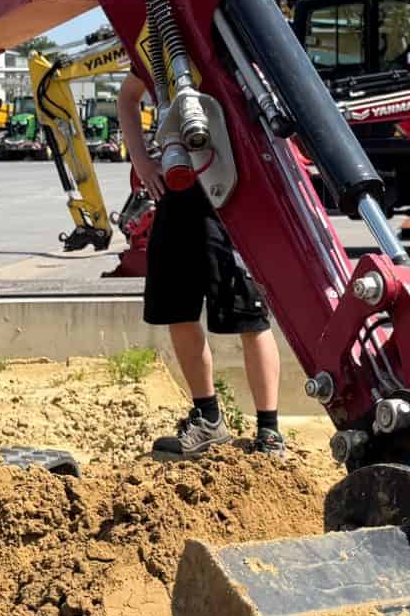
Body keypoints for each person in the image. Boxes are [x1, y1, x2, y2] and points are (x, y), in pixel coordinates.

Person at [117, 68, 289, 458]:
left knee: (249, 311)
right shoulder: (158, 47)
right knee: (177, 306)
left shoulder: (230, 41)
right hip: (178, 188)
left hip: (233, 187)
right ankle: (208, 418)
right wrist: (142, 161)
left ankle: (270, 432)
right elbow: (127, 96)